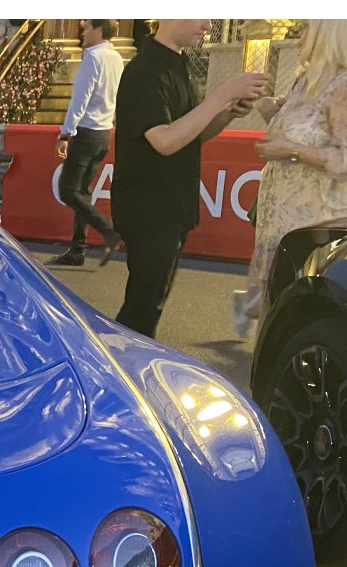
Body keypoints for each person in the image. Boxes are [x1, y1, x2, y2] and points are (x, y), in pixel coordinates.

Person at [111, 20, 269, 339]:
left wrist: (227, 113)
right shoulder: (144, 71)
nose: (208, 25)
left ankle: (124, 364)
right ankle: (119, 370)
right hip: (149, 208)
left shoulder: (176, 65)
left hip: (172, 207)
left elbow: (189, 136)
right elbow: (165, 141)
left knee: (149, 305)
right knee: (142, 310)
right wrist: (222, 95)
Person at [232, 19, 347, 339]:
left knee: (298, 318)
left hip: (316, 227)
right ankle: (256, 315)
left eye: (306, 28)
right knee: (277, 308)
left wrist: (290, 149)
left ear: (332, 34)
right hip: (283, 220)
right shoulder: (308, 79)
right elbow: (308, 129)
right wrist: (272, 110)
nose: (298, 37)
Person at [47, 20, 125, 268]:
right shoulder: (116, 58)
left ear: (99, 29)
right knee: (81, 191)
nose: (82, 31)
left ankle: (108, 231)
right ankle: (77, 248)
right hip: (103, 131)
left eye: (87, 27)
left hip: (87, 130)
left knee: (68, 189)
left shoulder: (93, 57)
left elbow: (80, 98)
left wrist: (66, 133)